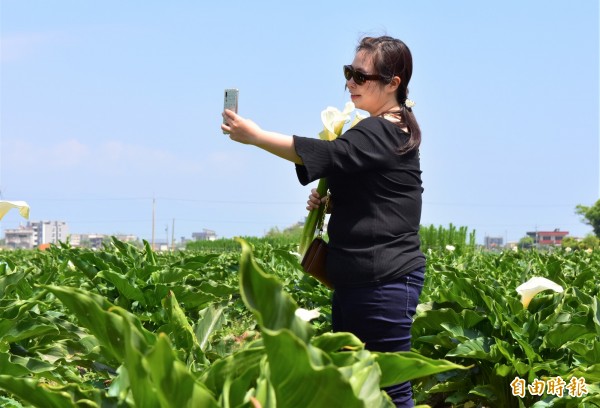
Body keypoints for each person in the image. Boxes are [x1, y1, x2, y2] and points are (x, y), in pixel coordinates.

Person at [222, 35, 426, 408]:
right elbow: (383, 196)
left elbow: (332, 155)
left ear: (393, 83)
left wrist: (255, 137)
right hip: (363, 280)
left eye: (360, 76)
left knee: (388, 388)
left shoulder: (381, 128)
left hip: (381, 282)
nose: (350, 82)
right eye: (348, 73)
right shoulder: (389, 127)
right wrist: (333, 202)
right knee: (356, 382)